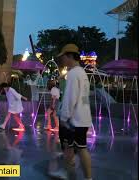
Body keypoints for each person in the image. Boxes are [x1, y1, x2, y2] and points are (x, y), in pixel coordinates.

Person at [50, 44, 92, 180]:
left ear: (69, 56)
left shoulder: (74, 74)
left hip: (75, 120)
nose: (62, 60)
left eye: (63, 57)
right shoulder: (81, 73)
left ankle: (87, 177)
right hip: (82, 117)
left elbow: (70, 98)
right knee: (70, 147)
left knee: (80, 148)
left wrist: (64, 117)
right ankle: (67, 171)